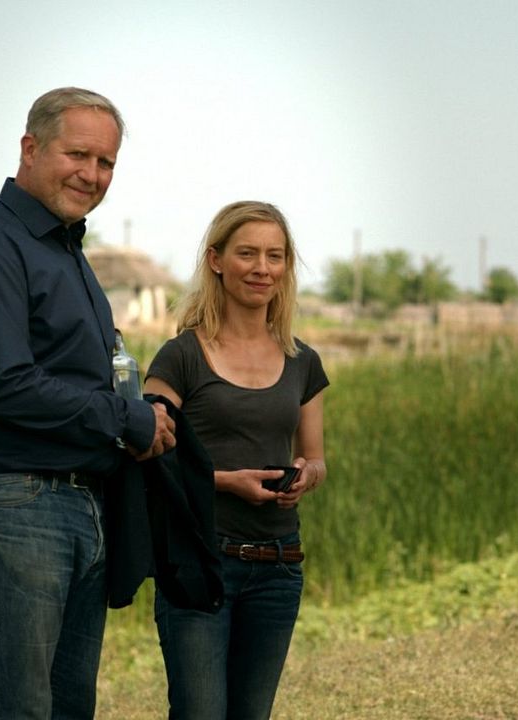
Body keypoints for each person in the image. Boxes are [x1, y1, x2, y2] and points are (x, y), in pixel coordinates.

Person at [0, 87, 176, 720]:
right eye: (78, 155)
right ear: (30, 148)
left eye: (106, 162)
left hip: (78, 502)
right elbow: (4, 384)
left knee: (67, 709)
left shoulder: (64, 250)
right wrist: (127, 418)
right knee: (16, 709)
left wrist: (139, 411)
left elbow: (80, 377)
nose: (92, 174)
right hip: (13, 502)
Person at [143, 200, 329, 720]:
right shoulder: (180, 356)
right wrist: (226, 481)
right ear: (216, 260)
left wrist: (306, 476)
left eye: (275, 255)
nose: (261, 268)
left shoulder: (303, 361)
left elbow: (316, 459)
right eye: (247, 253)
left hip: (278, 567)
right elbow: (151, 458)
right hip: (201, 562)